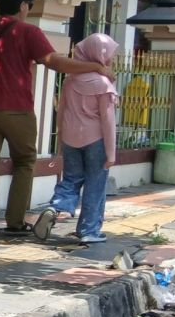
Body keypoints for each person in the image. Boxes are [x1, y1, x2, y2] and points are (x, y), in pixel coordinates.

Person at [0, 0, 115, 241]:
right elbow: (54, 62)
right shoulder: (28, 31)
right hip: (17, 109)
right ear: (22, 6)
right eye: (29, 5)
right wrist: (94, 66)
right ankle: (15, 222)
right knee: (25, 161)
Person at [33, 34, 120, 244]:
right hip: (96, 140)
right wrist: (111, 153)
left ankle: (56, 207)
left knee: (71, 179)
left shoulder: (70, 81)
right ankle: (89, 230)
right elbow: (108, 121)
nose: (112, 58)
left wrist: (61, 140)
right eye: (110, 54)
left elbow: (62, 111)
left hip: (71, 138)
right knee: (95, 184)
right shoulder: (103, 84)